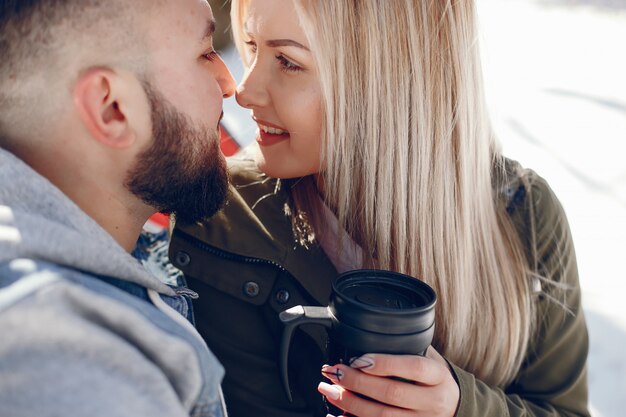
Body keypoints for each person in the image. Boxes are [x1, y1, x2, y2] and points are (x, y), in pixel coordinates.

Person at [169, 0, 590, 416]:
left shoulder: (523, 216)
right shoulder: (224, 217)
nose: (244, 92)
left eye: (288, 62)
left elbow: (562, 408)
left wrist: (463, 407)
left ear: (392, 78)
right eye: (251, 47)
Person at [0, 1, 236, 416]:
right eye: (204, 53)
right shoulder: (64, 363)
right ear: (112, 109)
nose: (230, 82)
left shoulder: (138, 248)